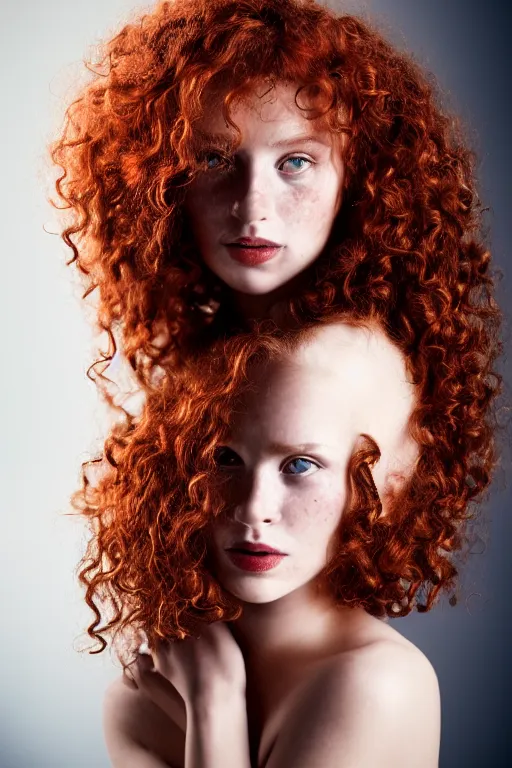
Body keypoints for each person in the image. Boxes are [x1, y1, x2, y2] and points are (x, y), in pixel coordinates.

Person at [94, 304, 495, 767]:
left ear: (383, 484)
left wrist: (214, 707)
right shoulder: (138, 702)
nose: (253, 508)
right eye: (224, 457)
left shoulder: (378, 684)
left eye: (300, 465)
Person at [48, 0, 499, 410]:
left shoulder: (322, 370)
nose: (251, 206)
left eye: (295, 161)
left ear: (358, 177)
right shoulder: (236, 347)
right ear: (162, 180)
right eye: (214, 159)